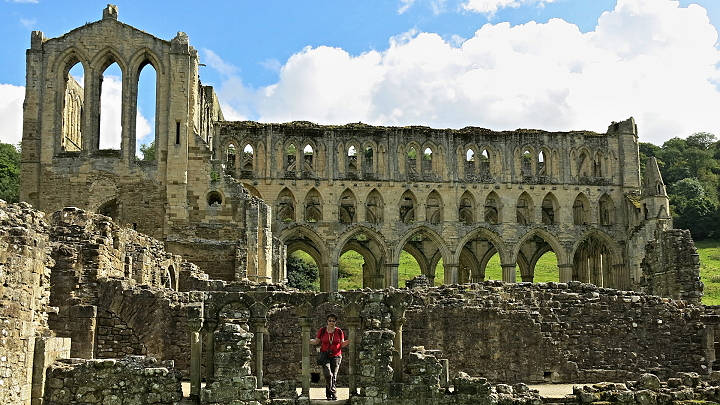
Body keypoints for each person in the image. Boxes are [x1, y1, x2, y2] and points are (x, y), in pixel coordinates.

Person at [310, 314, 349, 401]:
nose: (331, 322)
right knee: (328, 374)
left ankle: (329, 395)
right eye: (330, 320)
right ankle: (333, 392)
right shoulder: (322, 330)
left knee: (333, 376)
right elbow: (316, 341)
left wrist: (350, 340)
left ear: (336, 322)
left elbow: (342, 343)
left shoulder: (339, 331)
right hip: (325, 355)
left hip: (336, 356)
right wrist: (306, 340)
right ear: (327, 321)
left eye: (333, 321)